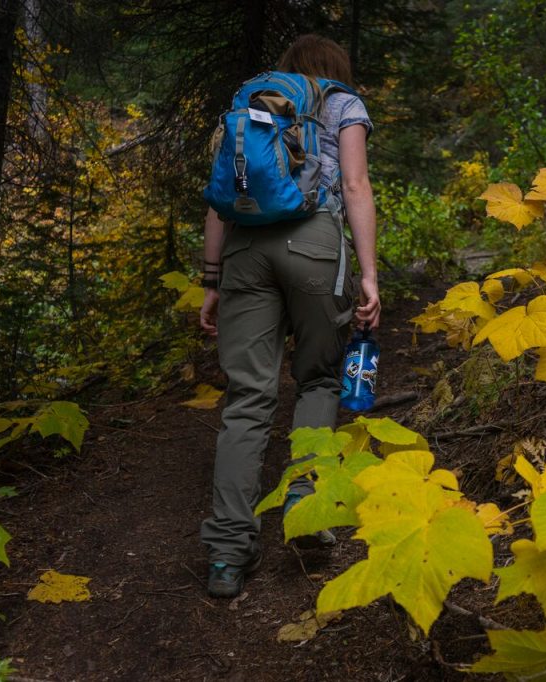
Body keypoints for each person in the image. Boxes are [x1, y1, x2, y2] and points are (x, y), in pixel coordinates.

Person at [198, 34, 380, 598]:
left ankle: (227, 553)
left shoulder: (250, 101)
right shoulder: (343, 101)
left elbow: (219, 195)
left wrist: (211, 278)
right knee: (319, 377)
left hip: (246, 249)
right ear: (335, 68)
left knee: (248, 396)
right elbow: (353, 184)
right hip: (313, 244)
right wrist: (369, 275)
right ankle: (305, 512)